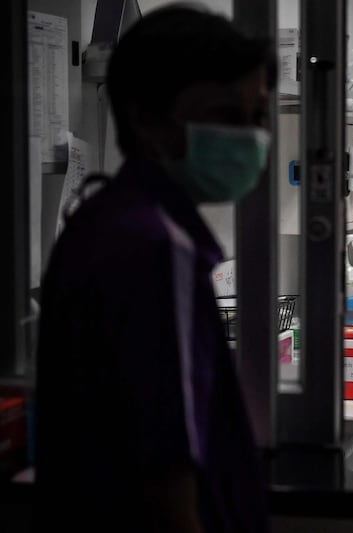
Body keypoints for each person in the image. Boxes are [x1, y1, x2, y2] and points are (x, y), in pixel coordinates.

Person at [34, 5, 275, 532]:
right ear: (148, 118)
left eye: (258, 116)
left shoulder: (103, 218)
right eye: (227, 116)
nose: (253, 137)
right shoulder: (155, 249)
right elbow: (165, 469)